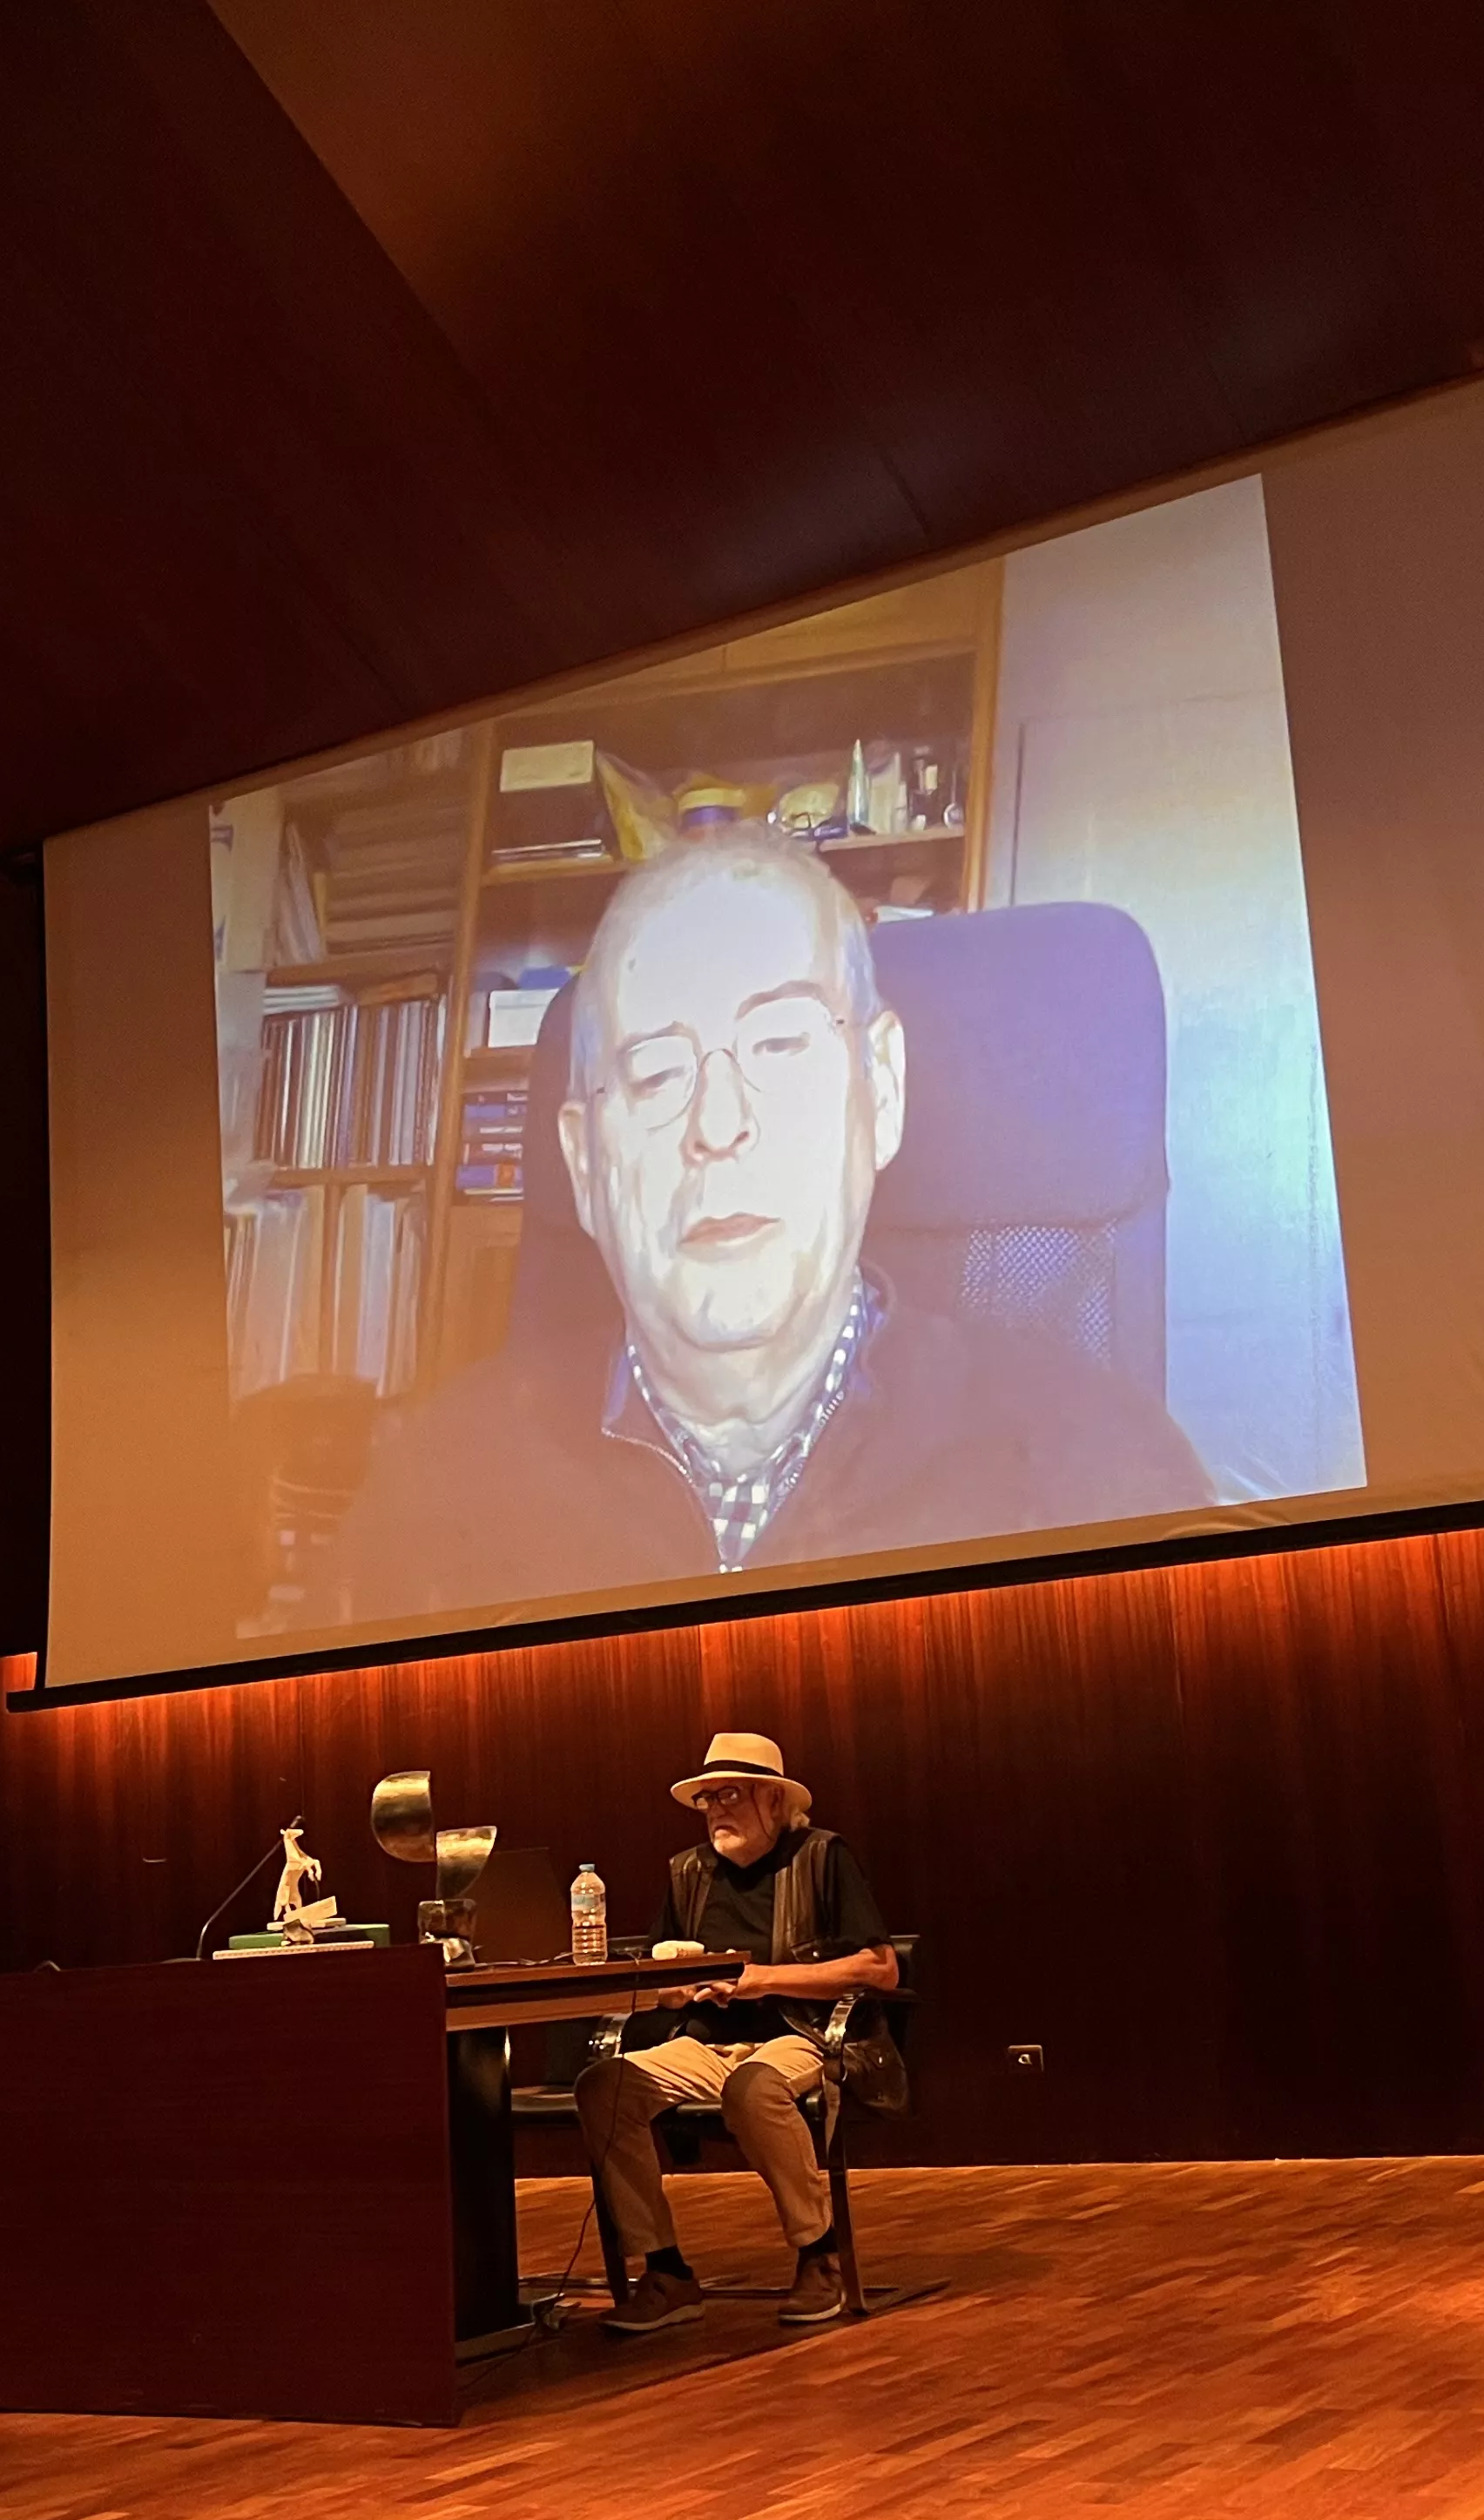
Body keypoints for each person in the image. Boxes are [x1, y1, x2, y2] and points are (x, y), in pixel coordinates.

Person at [334, 828, 1211, 1620]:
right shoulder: (426, 1495)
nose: (718, 1126)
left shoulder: (1103, 1486)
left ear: (884, 1088)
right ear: (587, 1165)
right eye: (654, 1074)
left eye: (781, 1044)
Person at [575, 1733, 899, 2334]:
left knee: (753, 2088)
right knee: (603, 2086)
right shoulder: (689, 1873)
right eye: (707, 1800)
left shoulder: (823, 1857)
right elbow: (663, 1975)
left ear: (774, 1801)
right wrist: (674, 1984)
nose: (717, 1810)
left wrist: (763, 1980)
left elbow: (880, 1967)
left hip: (800, 2034)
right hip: (705, 2042)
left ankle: (818, 2255)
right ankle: (668, 2271)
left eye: (731, 1795)